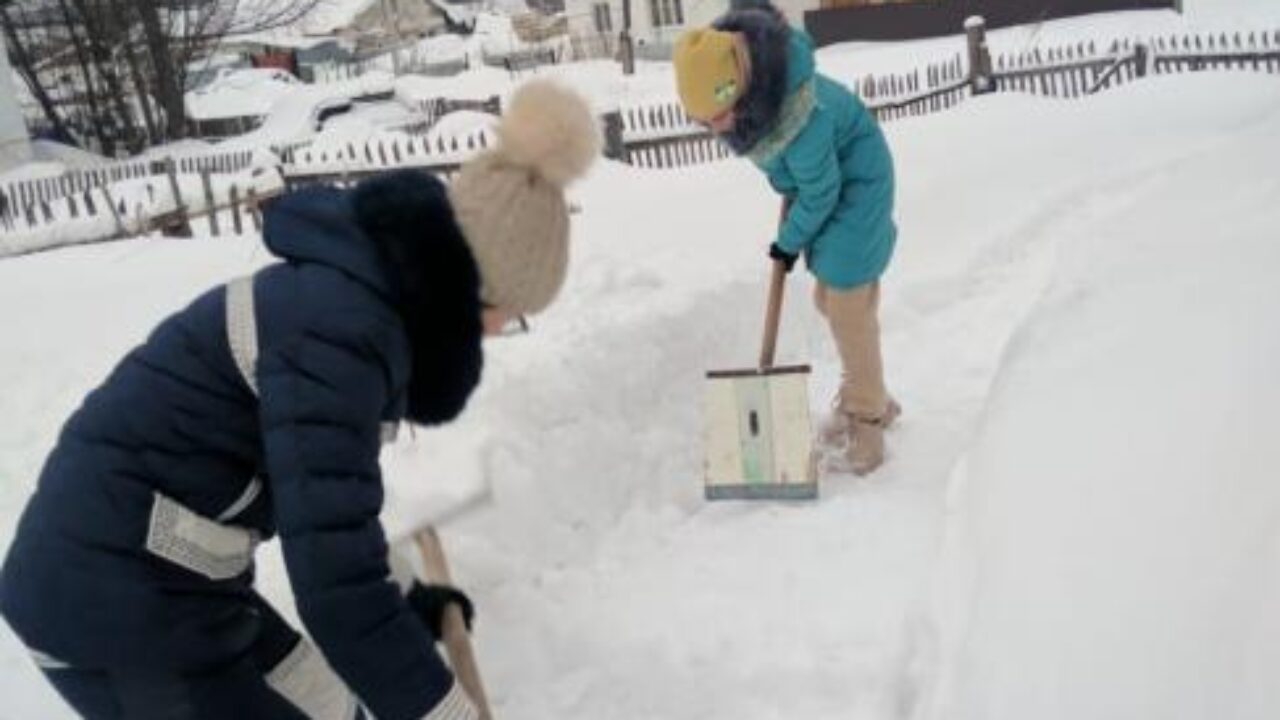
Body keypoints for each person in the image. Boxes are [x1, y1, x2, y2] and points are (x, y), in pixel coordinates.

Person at [0, 79, 600, 719]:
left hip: (178, 584)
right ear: (480, 292)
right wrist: (445, 710)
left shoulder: (361, 310)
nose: (500, 333)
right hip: (106, 606)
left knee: (330, 705)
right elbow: (337, 590)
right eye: (510, 315)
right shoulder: (338, 336)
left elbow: (334, 515)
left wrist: (403, 605)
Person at [673, 3, 901, 474]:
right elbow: (799, 178)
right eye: (704, 121)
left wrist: (787, 243)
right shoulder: (757, 102)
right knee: (831, 302)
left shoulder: (802, 119)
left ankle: (869, 417)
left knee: (847, 306)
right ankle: (871, 392)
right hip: (829, 183)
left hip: (858, 187)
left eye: (716, 117)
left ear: (735, 90)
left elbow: (820, 192)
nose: (713, 129)